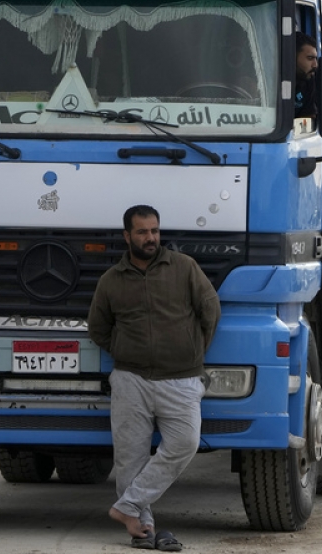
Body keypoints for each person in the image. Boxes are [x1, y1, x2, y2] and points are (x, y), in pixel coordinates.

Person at [88, 205, 220, 551]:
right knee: (129, 459)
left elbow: (210, 310)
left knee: (185, 442)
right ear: (127, 236)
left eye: (155, 231)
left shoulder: (184, 268)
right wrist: (124, 349)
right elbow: (98, 329)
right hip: (131, 379)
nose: (151, 238)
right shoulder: (111, 281)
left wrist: (192, 350)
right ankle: (142, 529)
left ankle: (126, 506)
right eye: (143, 232)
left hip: (181, 379)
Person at [293, 32, 319, 128]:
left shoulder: (308, 81)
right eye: (310, 58)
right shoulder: (268, 81)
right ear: (292, 56)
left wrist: (291, 129)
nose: (315, 65)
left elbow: (309, 118)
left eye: (315, 58)